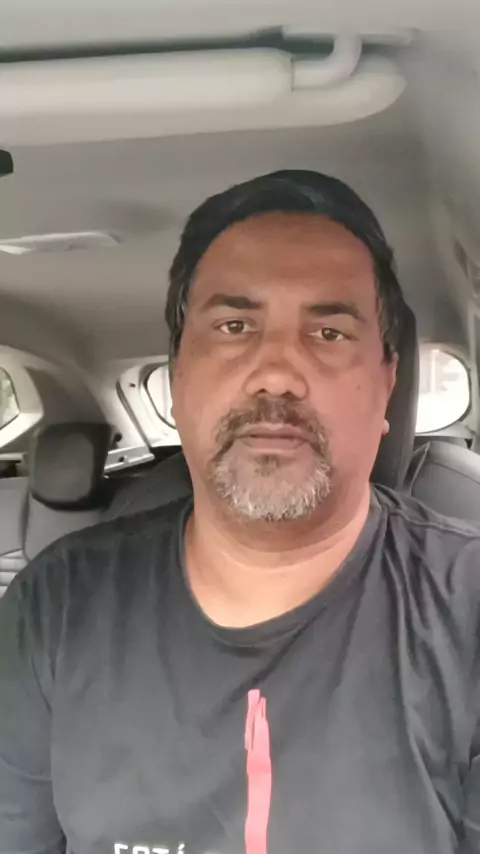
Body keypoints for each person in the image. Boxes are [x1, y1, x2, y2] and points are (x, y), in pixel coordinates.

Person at [1, 170, 480, 854]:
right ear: (177, 378)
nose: (277, 372)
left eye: (329, 332)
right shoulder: (55, 606)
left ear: (387, 385)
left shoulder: (467, 610)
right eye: (234, 326)